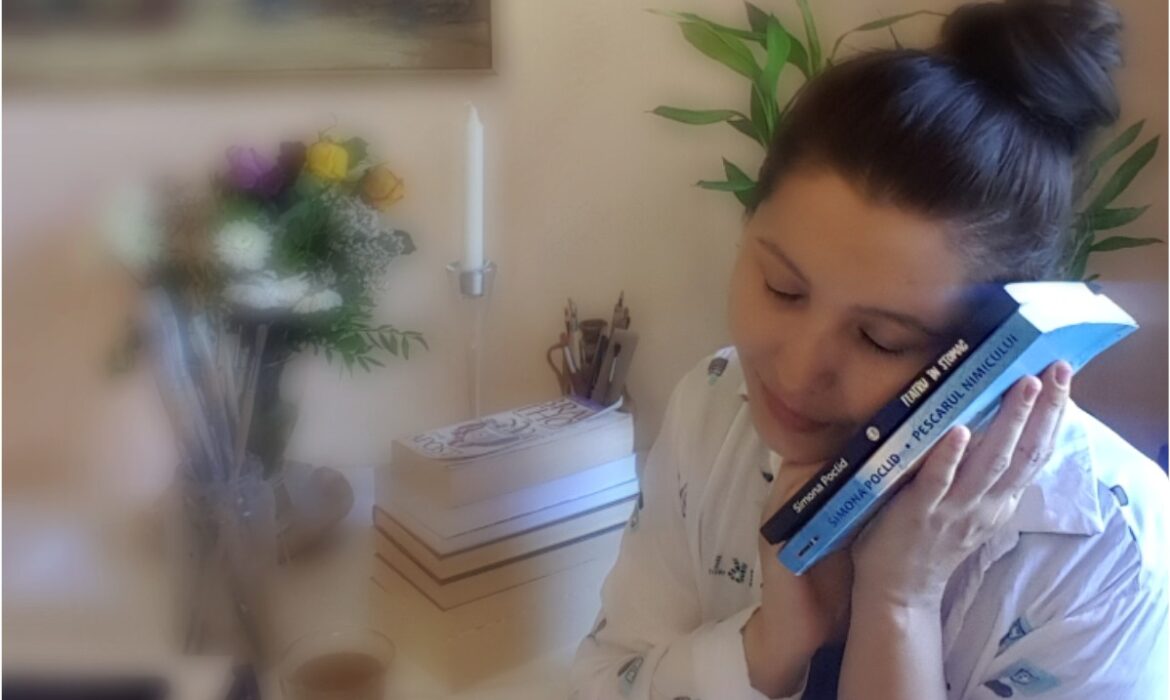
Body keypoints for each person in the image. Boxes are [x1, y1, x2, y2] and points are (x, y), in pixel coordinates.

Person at [568, 1, 1170, 698]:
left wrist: (901, 600)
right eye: (782, 288)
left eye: (880, 339)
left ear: (991, 355)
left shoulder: (1110, 554)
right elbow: (599, 683)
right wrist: (766, 647)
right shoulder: (714, 405)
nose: (797, 372)